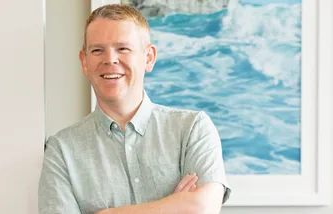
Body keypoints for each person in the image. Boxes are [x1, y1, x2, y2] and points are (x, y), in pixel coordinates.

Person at [38, 3, 231, 214]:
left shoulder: (193, 129)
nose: (110, 59)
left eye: (123, 48)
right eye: (97, 50)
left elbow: (202, 207)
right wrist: (173, 205)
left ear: (149, 57)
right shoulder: (61, 151)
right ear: (84, 62)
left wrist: (108, 213)